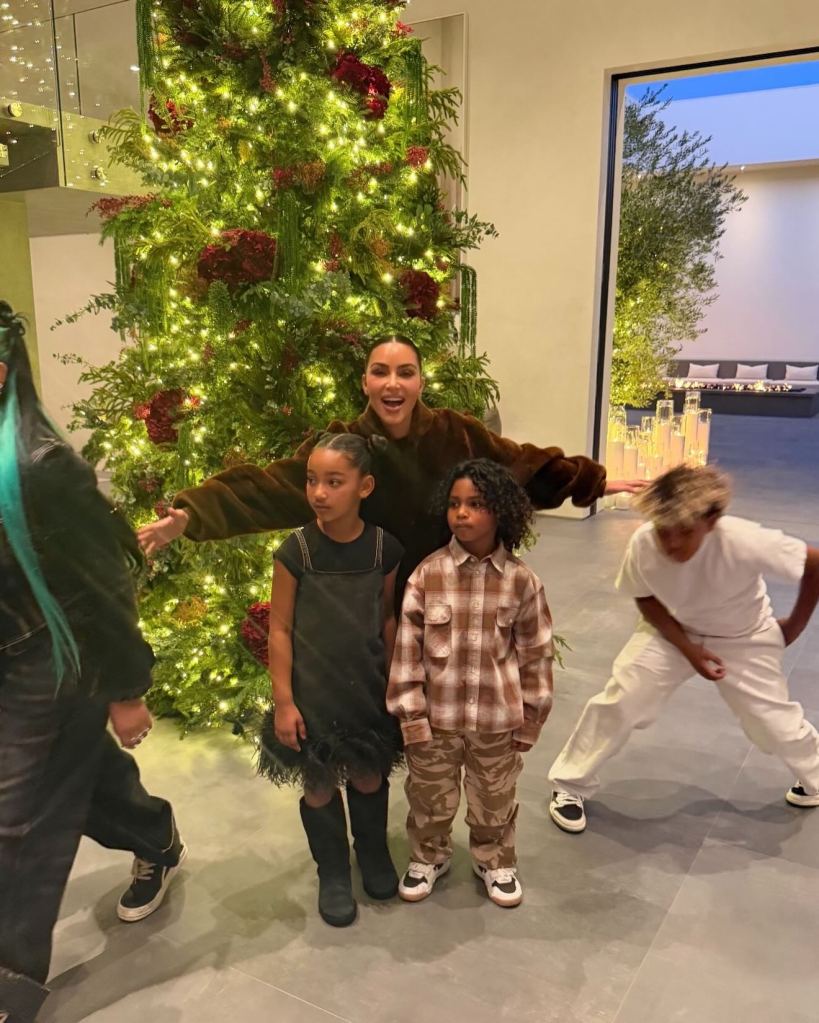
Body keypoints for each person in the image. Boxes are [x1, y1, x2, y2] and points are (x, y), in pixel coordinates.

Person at [136, 335, 643, 606]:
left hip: (443, 599)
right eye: (381, 371)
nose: (392, 382)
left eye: (405, 372)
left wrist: (594, 481)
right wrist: (189, 514)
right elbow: (274, 486)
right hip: (368, 604)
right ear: (366, 381)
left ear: (420, 381)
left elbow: (520, 466)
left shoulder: (455, 433)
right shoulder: (345, 447)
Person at [0, 303, 185, 1023]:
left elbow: (105, 582)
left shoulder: (44, 466)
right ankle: (155, 836)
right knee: (76, 776)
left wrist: (126, 688)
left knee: (20, 820)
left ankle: (11, 983)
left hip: (48, 659)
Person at [548, 464, 819, 835]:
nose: (672, 544)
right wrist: (689, 649)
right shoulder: (644, 542)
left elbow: (813, 564)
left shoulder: (743, 540)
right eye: (664, 531)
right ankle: (568, 785)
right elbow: (645, 598)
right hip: (672, 631)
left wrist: (795, 626)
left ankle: (814, 775)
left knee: (774, 727)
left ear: (712, 520)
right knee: (624, 697)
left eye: (685, 532)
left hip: (744, 636)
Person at [387, 459, 554, 908]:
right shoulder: (427, 576)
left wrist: (532, 718)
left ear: (501, 511)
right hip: (437, 721)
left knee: (494, 798)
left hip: (496, 721)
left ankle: (494, 858)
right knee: (429, 797)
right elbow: (407, 650)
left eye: (476, 504)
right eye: (455, 504)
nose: (461, 514)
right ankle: (428, 855)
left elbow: (537, 655)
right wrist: (411, 716)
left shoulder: (521, 583)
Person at [261, 433, 404, 927]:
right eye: (312, 480)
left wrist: (394, 681)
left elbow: (385, 618)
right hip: (313, 692)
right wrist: (284, 701)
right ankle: (333, 872)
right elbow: (278, 628)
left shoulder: (384, 548)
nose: (319, 492)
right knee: (319, 785)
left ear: (364, 486)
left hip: (365, 689)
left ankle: (373, 855)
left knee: (368, 774)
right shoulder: (296, 550)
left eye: (334, 482)